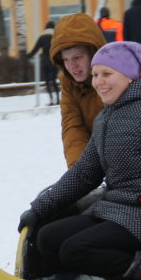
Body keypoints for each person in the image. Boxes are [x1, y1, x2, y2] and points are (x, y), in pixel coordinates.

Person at [18, 41, 141, 280]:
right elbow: (84, 173)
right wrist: (40, 208)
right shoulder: (106, 117)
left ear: (130, 76)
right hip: (116, 209)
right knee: (48, 238)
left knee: (76, 249)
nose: (99, 82)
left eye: (107, 74)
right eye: (95, 75)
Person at [49, 13, 108, 167]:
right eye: (66, 59)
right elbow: (73, 127)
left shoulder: (122, 72)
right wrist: (79, 170)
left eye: (77, 57)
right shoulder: (69, 84)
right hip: (99, 162)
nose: (72, 66)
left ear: (93, 53)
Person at [27, 20, 59, 105]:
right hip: (54, 61)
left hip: (45, 62)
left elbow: (35, 49)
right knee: (54, 81)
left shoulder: (42, 37)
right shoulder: (56, 37)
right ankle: (58, 100)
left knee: (47, 82)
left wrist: (26, 56)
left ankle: (51, 100)